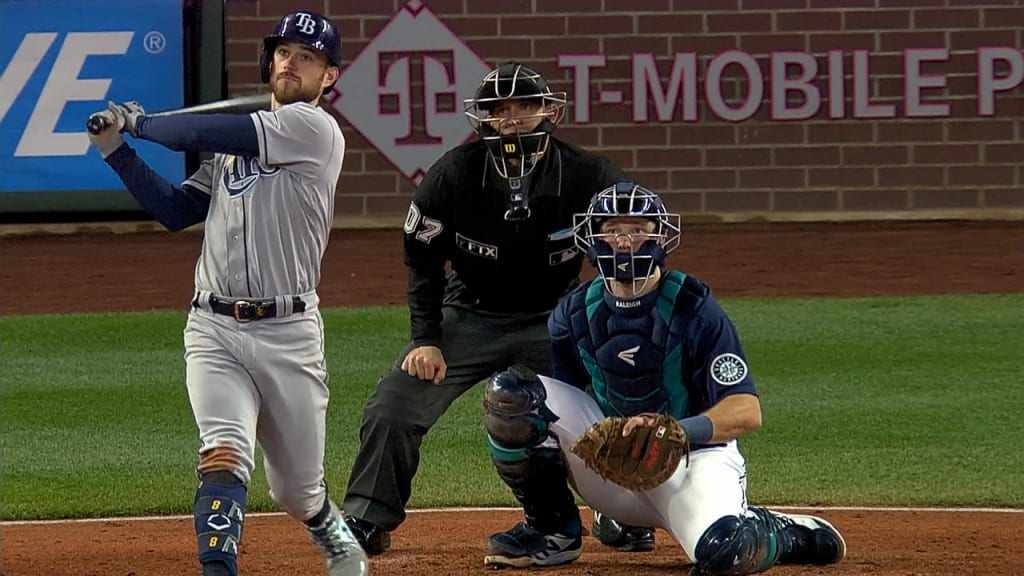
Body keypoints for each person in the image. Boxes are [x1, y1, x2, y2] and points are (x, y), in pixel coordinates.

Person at [86, 11, 367, 576]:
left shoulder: (313, 130)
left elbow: (199, 132)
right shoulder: (235, 146)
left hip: (288, 333)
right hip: (212, 327)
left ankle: (328, 528)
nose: (291, 62)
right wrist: (117, 149)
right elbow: (176, 211)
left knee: (296, 488)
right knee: (224, 451)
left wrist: (144, 124)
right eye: (284, 52)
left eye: (307, 56)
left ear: (328, 76)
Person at [341, 61, 655, 555]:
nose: (511, 120)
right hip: (469, 314)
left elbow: (635, 241)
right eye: (498, 109)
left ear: (549, 110)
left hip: (556, 315)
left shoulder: (589, 175)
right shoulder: (452, 174)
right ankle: (366, 518)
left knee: (614, 399)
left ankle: (623, 512)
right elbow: (423, 264)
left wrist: (609, 321)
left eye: (524, 106)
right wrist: (426, 338)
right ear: (482, 119)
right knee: (394, 405)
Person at [481, 182, 847, 573]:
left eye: (638, 230)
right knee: (512, 395)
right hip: (615, 472)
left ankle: (776, 529)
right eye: (612, 229)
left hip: (692, 462)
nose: (624, 241)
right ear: (592, 237)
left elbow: (746, 411)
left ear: (659, 237)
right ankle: (553, 532)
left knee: (726, 552)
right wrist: (609, 448)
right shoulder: (574, 312)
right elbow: (565, 406)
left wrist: (674, 432)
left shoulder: (694, 308)